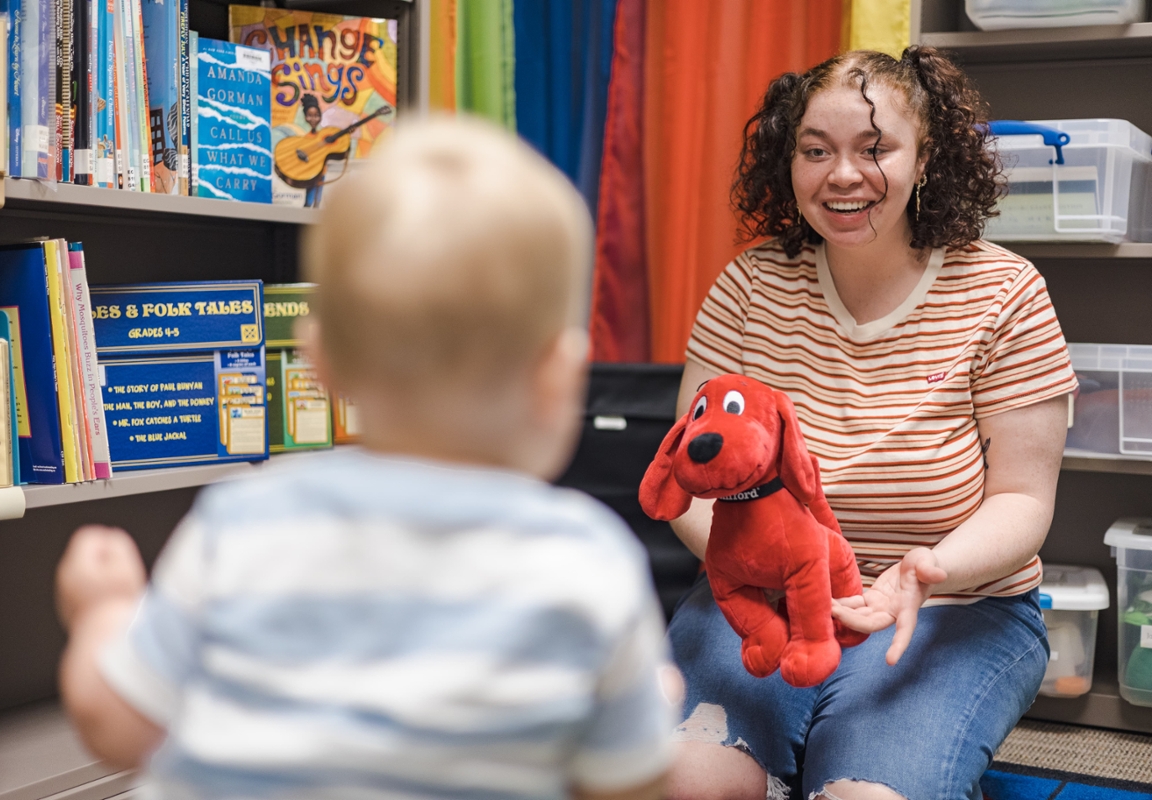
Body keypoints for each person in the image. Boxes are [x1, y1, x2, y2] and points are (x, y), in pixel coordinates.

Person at [55, 116, 678, 800]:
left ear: (319, 362)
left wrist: (105, 611)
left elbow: (116, 726)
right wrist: (640, 705)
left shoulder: (244, 523)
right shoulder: (587, 564)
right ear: (561, 377)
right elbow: (631, 787)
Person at [665, 47, 1076, 800]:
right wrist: (785, 578)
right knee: (687, 782)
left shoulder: (1005, 292)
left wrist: (927, 571)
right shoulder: (751, 286)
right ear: (787, 164)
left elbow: (1024, 500)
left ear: (926, 159)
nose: (842, 175)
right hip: (760, 599)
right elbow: (692, 482)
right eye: (815, 150)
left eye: (874, 147)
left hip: (958, 609)